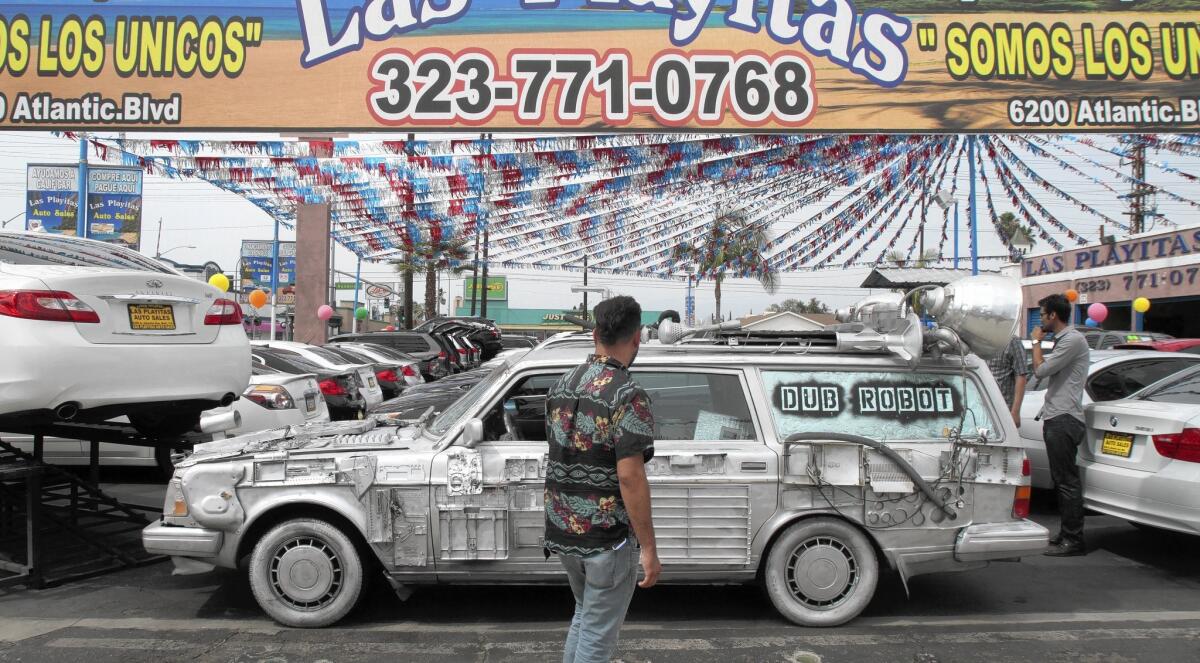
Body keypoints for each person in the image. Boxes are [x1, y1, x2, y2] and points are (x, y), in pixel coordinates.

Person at [544, 295, 660, 663]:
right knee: (596, 631)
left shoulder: (561, 384)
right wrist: (650, 549)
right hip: (605, 539)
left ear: (595, 333)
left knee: (585, 615)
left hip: (563, 530)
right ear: (637, 337)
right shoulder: (627, 393)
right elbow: (630, 477)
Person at [1030, 293, 1090, 557]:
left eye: (1042, 314)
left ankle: (1073, 540)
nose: (1041, 319)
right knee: (1061, 479)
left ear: (1053, 315)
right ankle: (1066, 534)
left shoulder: (1073, 340)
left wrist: (1035, 342)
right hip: (1057, 415)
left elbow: (1041, 371)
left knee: (1066, 481)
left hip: (1064, 418)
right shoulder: (1065, 340)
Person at [987, 335, 1029, 426]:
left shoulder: (1011, 341)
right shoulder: (976, 340)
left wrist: (1015, 412)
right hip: (980, 409)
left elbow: (1021, 375)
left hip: (1003, 411)